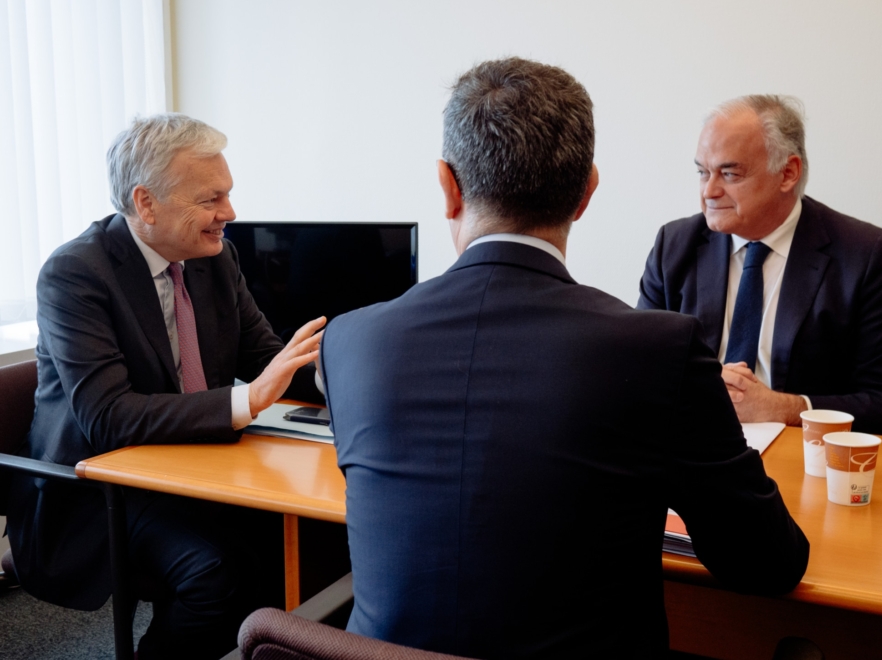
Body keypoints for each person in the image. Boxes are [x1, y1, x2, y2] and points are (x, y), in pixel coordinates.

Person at [318, 58, 809, 659]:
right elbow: (766, 563)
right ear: (586, 193)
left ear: (447, 187)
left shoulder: (348, 340)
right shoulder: (658, 351)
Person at [7, 114, 325, 659]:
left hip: (196, 468)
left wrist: (352, 373)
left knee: (309, 542)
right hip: (101, 485)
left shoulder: (215, 257)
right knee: (214, 576)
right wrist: (248, 399)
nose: (229, 213)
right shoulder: (74, 274)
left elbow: (266, 354)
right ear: (146, 203)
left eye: (227, 194)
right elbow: (107, 417)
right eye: (211, 199)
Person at [637, 95, 882, 437]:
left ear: (788, 173)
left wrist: (783, 407)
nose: (709, 191)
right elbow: (640, 371)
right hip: (694, 451)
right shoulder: (675, 244)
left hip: (803, 458)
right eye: (702, 172)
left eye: (729, 173)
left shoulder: (865, 256)